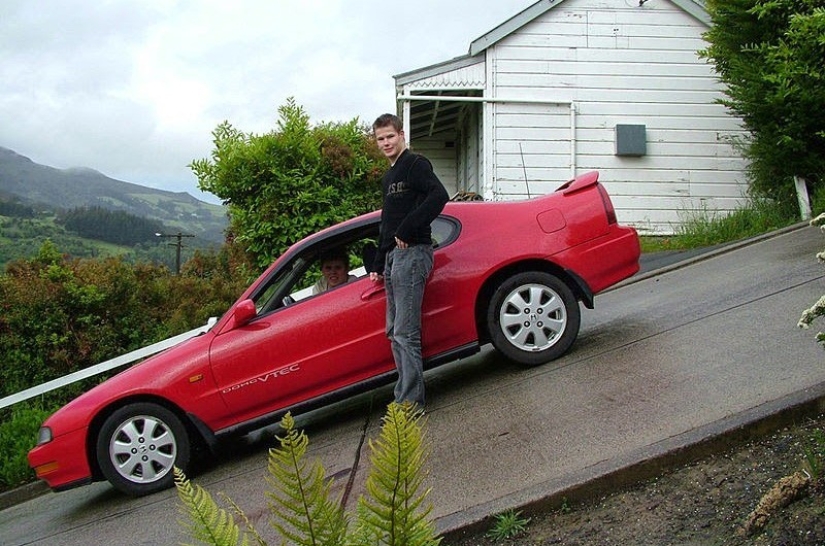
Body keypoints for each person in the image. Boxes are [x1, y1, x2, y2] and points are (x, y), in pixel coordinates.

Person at [370, 113, 449, 408]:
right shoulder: (389, 177)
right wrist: (378, 265)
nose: (386, 142)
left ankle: (411, 403)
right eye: (381, 138)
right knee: (394, 331)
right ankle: (403, 396)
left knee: (405, 331)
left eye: (390, 136)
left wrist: (410, 227)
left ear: (402, 135)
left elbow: (438, 195)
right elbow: (387, 223)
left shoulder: (415, 164)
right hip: (393, 258)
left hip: (413, 253)